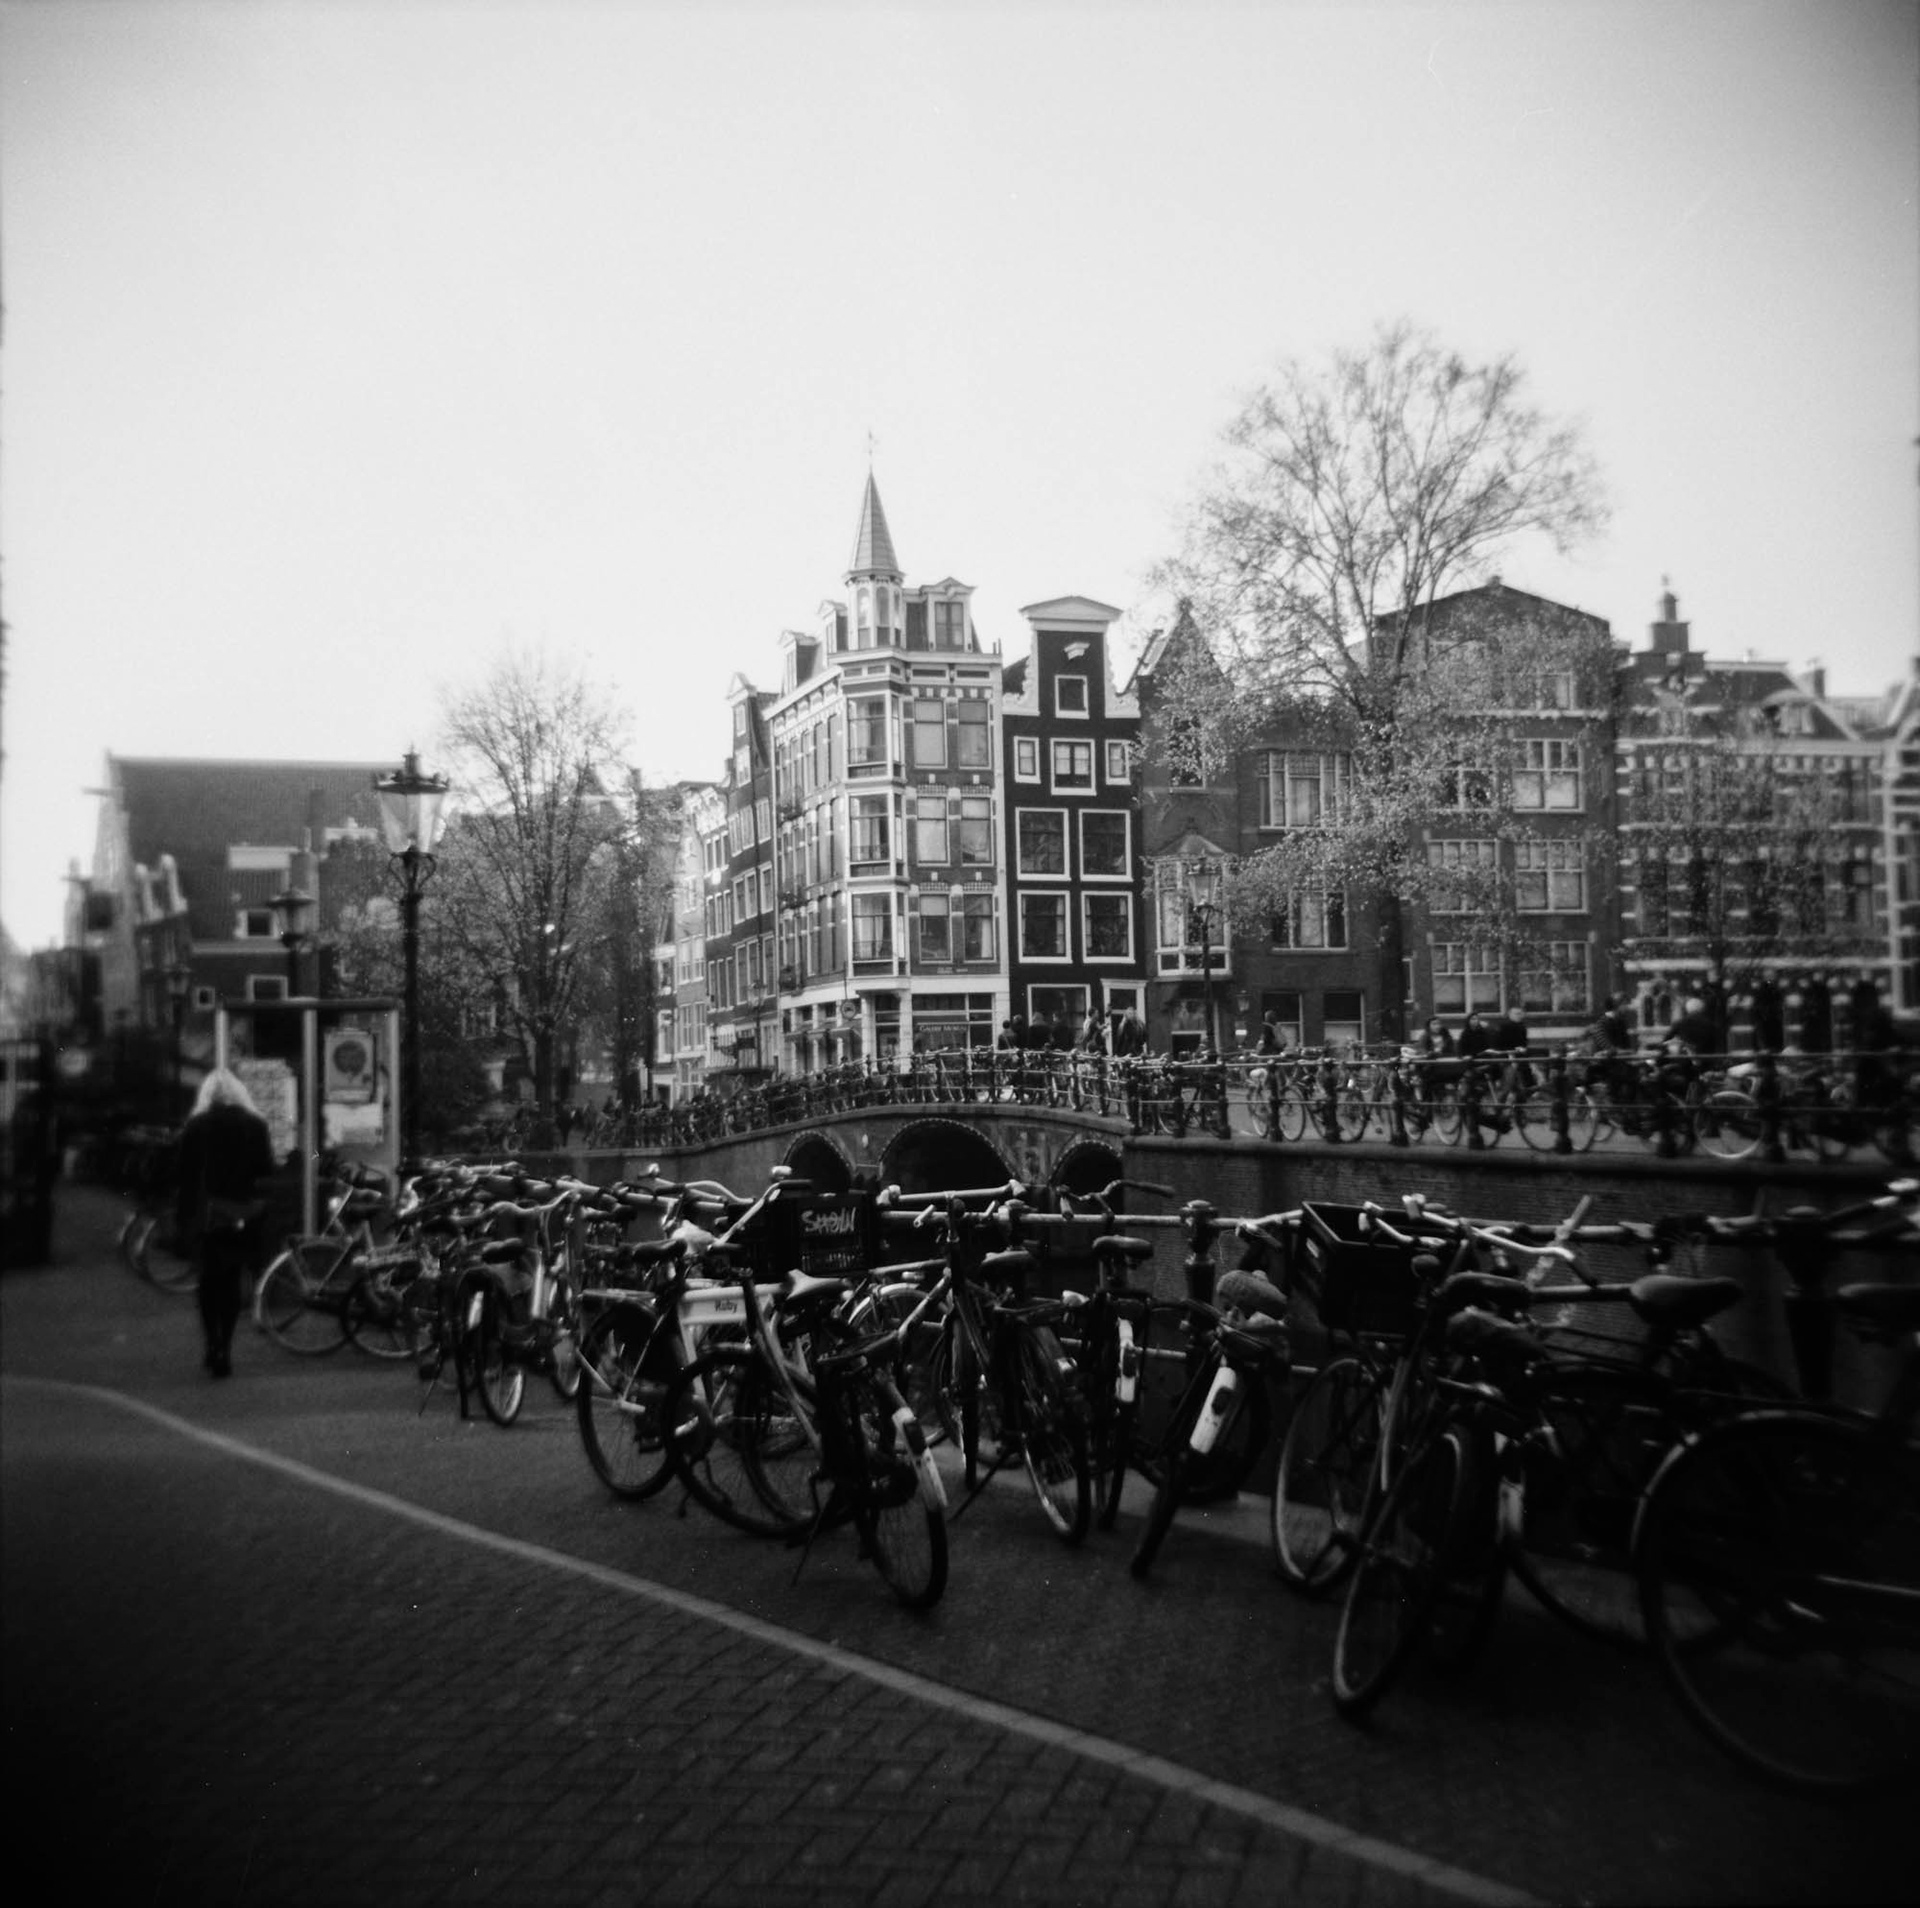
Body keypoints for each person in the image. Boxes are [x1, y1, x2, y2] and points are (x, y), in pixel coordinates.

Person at [174, 1068, 276, 1378]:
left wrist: (184, 1217)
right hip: (241, 1214)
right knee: (231, 1279)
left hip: (207, 1215)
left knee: (208, 1281)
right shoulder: (255, 1125)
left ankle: (212, 1343)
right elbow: (265, 1168)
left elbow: (183, 1173)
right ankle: (227, 1348)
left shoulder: (196, 1125)